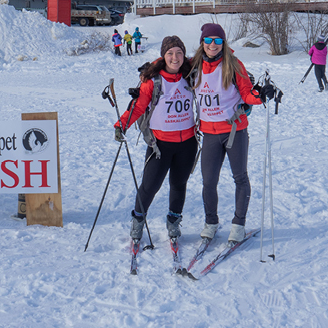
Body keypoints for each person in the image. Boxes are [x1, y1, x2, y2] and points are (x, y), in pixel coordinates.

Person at [190, 23, 276, 244]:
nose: (212, 45)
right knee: (208, 181)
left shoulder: (234, 65)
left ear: (224, 43)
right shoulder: (193, 65)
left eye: (218, 41)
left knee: (240, 177)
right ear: (202, 42)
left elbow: (247, 94)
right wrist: (151, 70)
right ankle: (211, 222)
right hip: (209, 132)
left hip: (234, 129)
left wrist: (261, 96)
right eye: (208, 40)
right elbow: (171, 65)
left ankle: (238, 224)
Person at [114, 36, 197, 243]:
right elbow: (139, 106)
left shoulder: (191, 75)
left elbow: (212, 57)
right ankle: (138, 221)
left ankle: (173, 222)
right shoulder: (153, 81)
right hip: (160, 145)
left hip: (187, 143)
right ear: (163, 56)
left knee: (179, 184)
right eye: (170, 53)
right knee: (149, 186)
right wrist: (121, 124)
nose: (175, 57)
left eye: (179, 53)